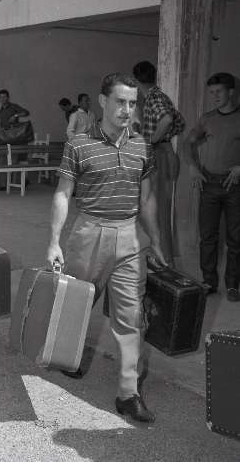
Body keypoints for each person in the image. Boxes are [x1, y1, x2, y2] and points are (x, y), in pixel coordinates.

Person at [46, 73, 166, 423]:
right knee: (76, 304)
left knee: (131, 317)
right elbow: (62, 194)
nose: (127, 110)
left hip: (129, 237)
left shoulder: (142, 146)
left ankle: (128, 393)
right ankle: (68, 356)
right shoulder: (79, 145)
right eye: (120, 102)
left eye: (132, 103)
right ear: (102, 102)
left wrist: (156, 241)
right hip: (89, 233)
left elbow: (147, 199)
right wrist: (53, 241)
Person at [183, 72, 240, 301]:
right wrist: (193, 167)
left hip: (235, 185)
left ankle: (233, 285)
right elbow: (188, 143)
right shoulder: (207, 119)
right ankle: (209, 281)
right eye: (212, 93)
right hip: (209, 183)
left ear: (231, 92)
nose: (214, 96)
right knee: (207, 237)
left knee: (235, 238)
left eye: (219, 92)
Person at [133, 61, 186, 265]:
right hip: (164, 151)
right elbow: (179, 122)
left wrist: (154, 139)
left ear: (136, 81)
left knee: (157, 210)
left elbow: (167, 120)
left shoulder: (154, 97)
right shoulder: (159, 96)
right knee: (157, 208)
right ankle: (161, 259)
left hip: (159, 154)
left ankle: (164, 262)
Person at [0, 89, 30, 190]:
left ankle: (17, 183)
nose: (2, 99)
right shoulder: (0, 110)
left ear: (8, 97)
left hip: (14, 138)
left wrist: (16, 115)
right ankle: (3, 185)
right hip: (4, 138)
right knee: (2, 160)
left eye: (4, 97)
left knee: (14, 161)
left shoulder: (14, 106)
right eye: (1, 97)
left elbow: (26, 112)